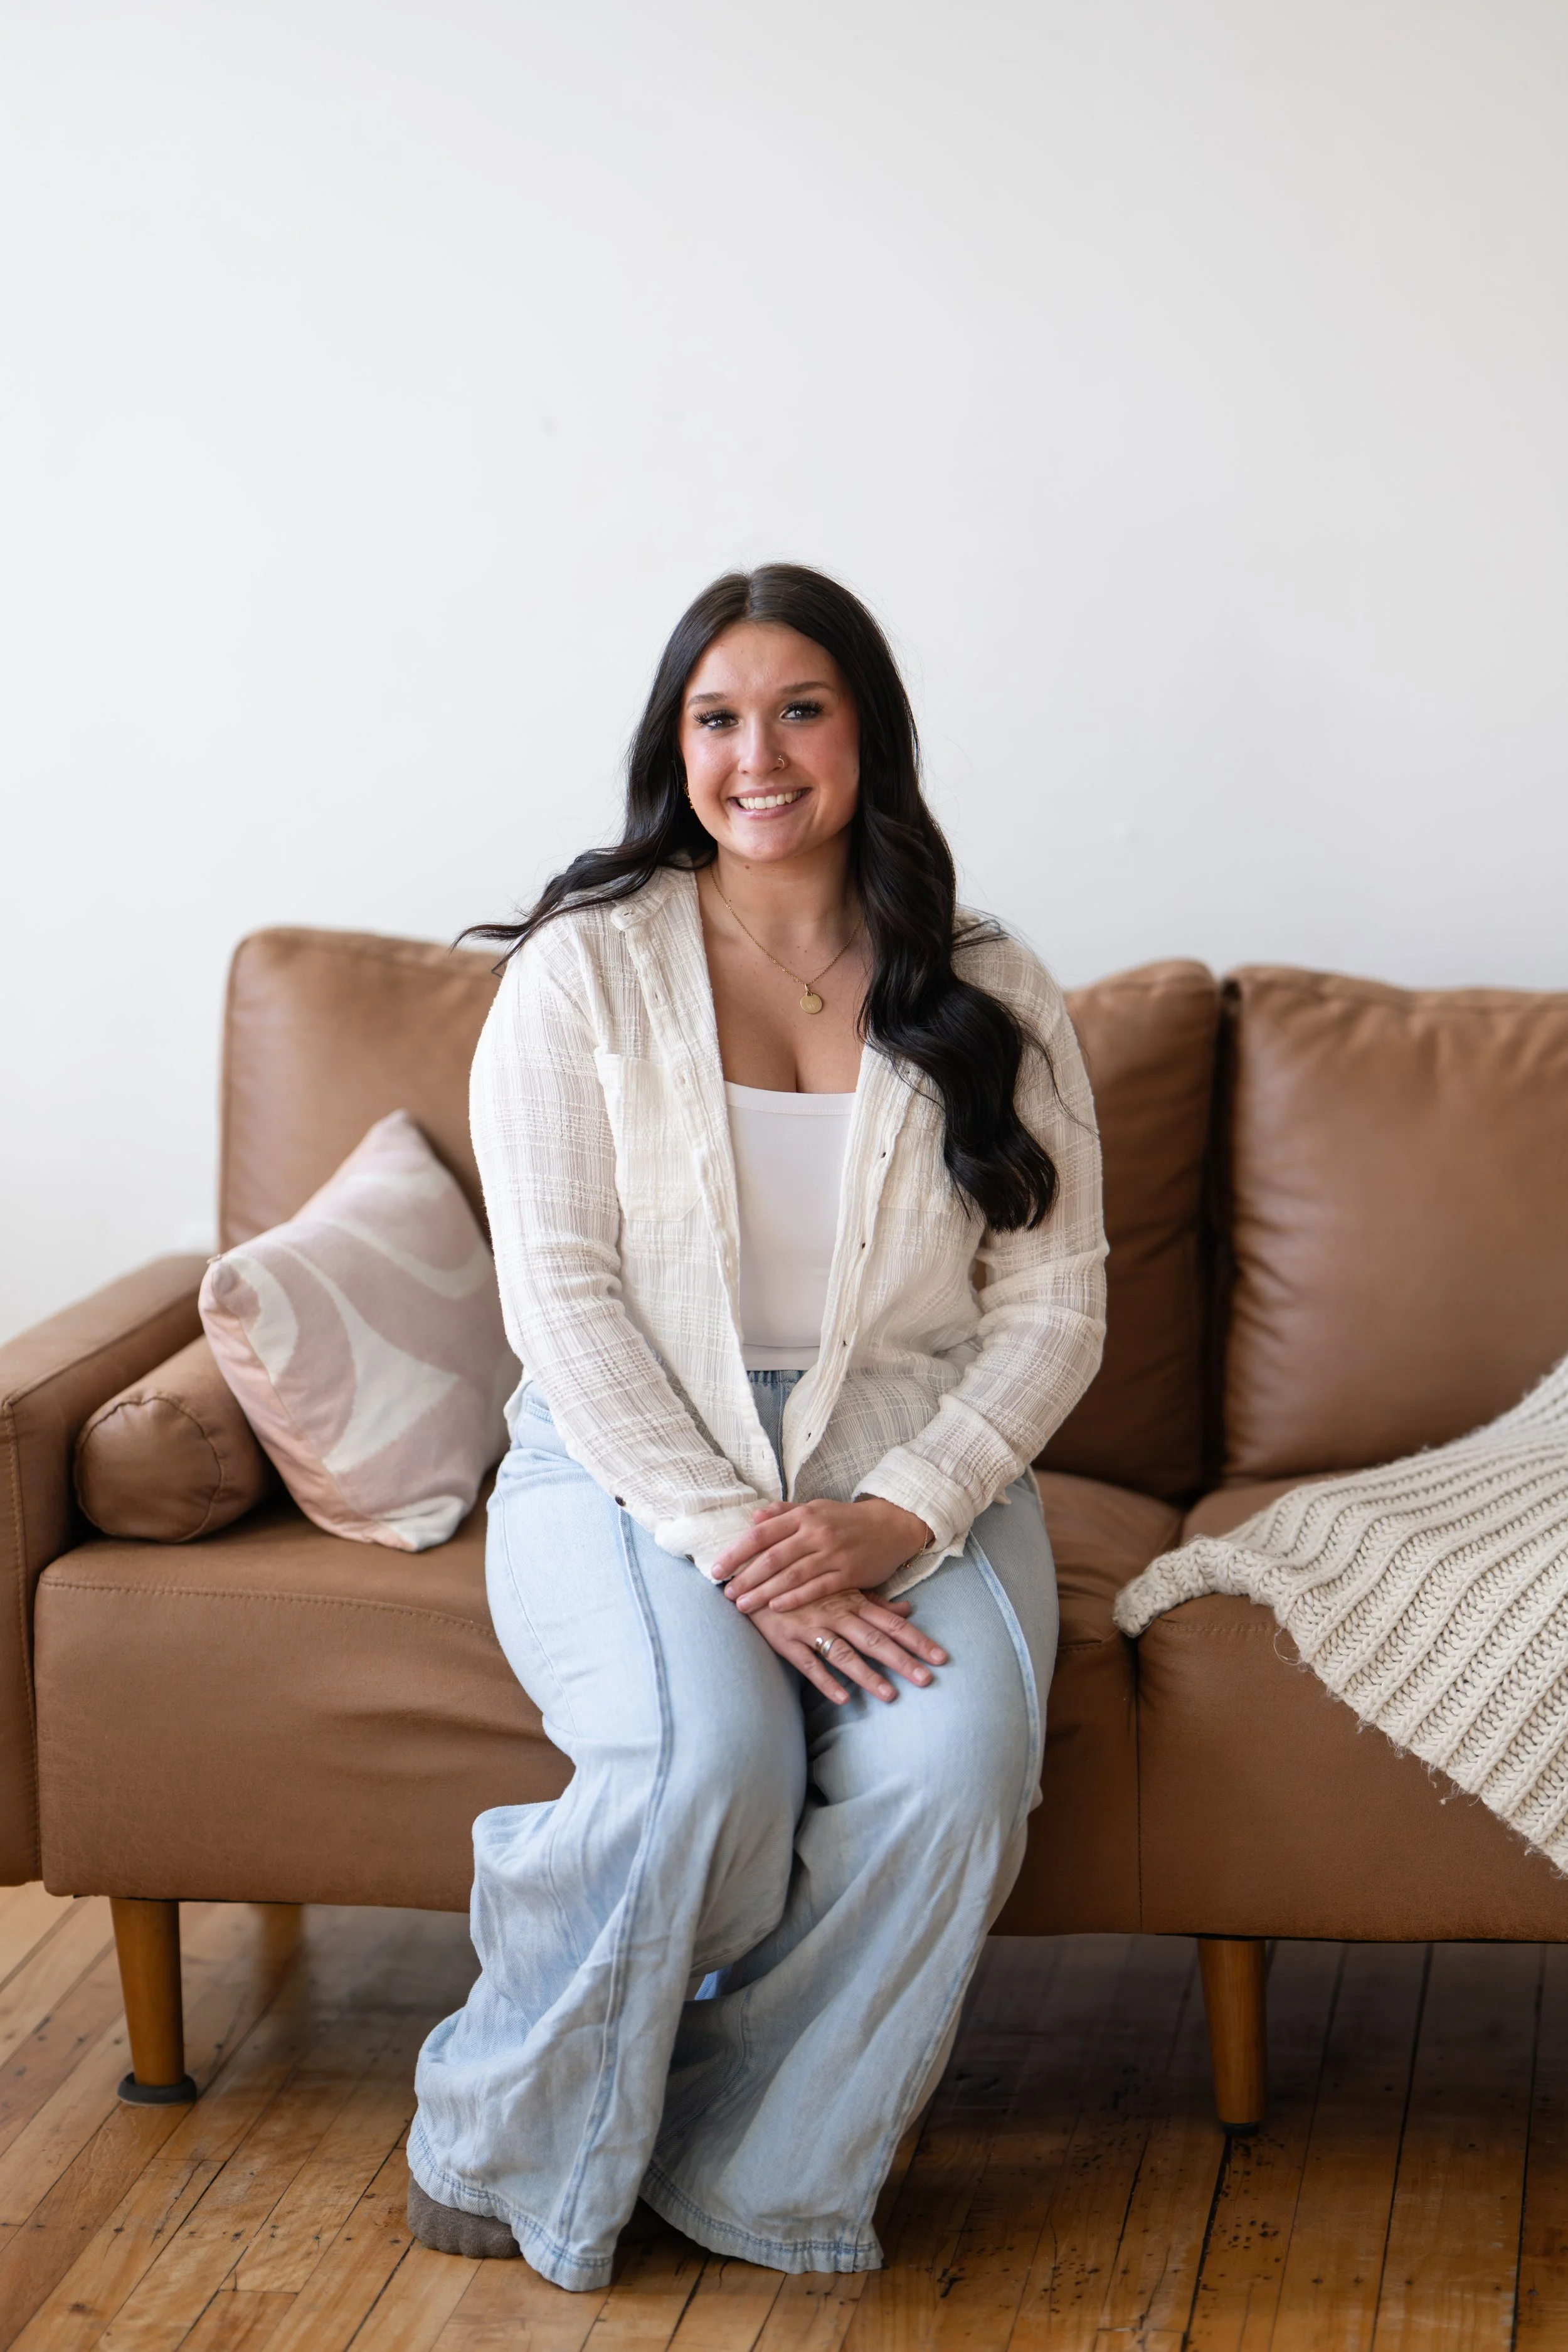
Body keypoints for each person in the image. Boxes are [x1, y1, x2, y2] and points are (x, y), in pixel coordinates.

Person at [405, 563, 1106, 2289]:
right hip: (630, 1453)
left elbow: (1055, 1305)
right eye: (717, 717)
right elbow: (562, 1296)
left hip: (910, 1460)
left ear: (868, 734)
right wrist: (738, 1543)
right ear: (675, 744)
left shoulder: (992, 984)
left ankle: (749, 2156)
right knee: (703, 1768)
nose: (759, 755)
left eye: (801, 709)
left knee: (957, 1777)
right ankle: (503, 2127)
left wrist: (906, 1510)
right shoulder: (583, 971)